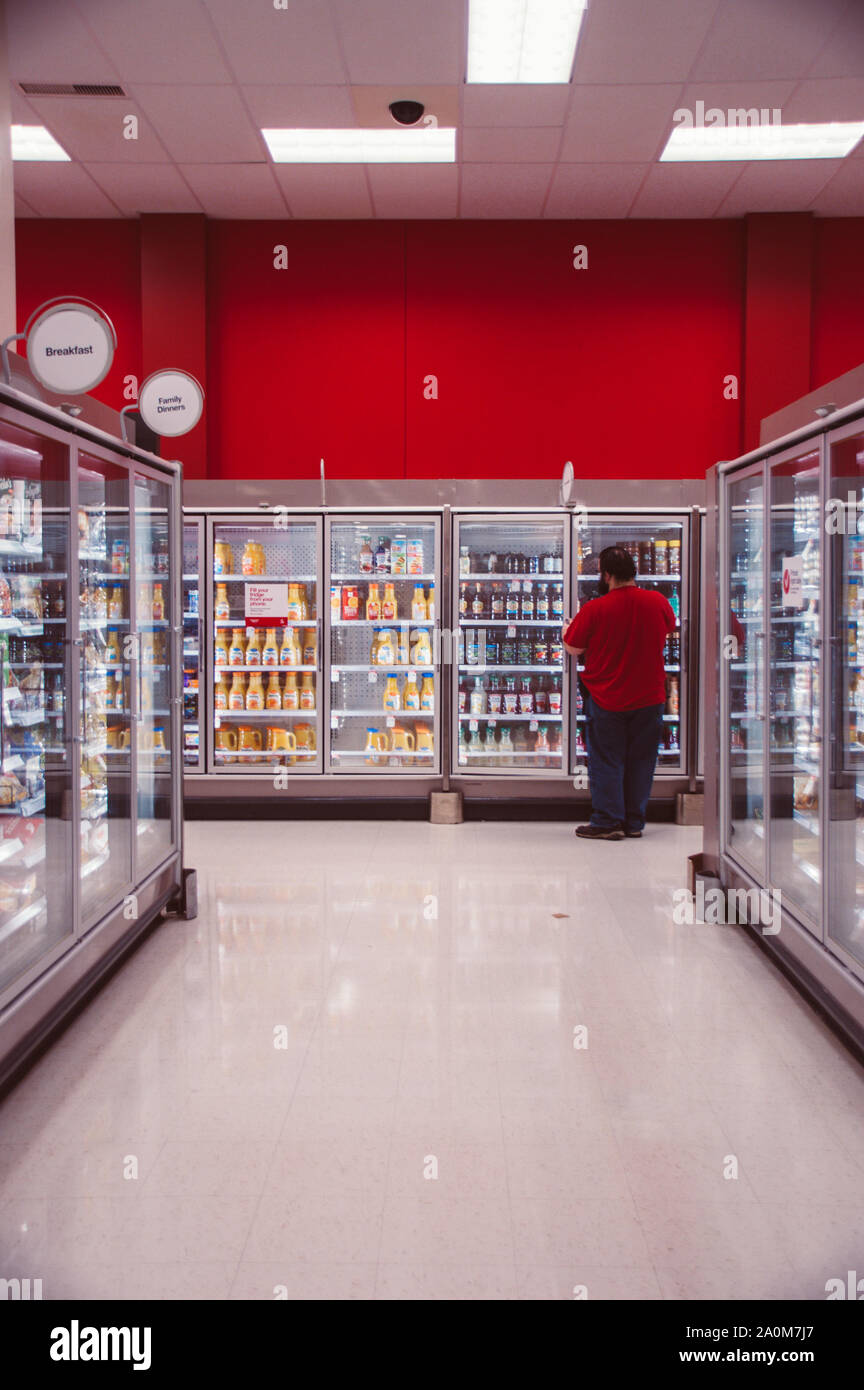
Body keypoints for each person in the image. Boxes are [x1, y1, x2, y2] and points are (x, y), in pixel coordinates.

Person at [563, 544, 675, 841]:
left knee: (607, 760)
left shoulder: (595, 608)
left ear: (607, 575)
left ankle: (608, 820)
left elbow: (574, 647)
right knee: (641, 761)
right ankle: (634, 822)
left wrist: (566, 631)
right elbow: (670, 628)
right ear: (634, 573)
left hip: (607, 696)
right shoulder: (658, 601)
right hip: (650, 696)